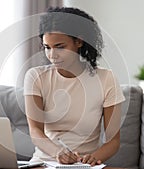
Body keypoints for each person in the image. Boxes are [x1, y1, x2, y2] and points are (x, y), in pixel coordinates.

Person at [23, 7, 125, 166]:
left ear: (79, 41)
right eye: (47, 47)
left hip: (85, 164)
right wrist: (58, 152)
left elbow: (113, 142)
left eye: (60, 46)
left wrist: (93, 158)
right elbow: (35, 131)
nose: (52, 55)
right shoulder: (36, 77)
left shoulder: (106, 79)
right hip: (44, 162)